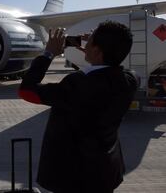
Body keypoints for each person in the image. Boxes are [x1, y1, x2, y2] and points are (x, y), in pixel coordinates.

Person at [19, 21, 138, 193]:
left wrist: (48, 54)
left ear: (97, 51)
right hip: (105, 172)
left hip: (73, 177)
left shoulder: (76, 85)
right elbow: (111, 68)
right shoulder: (129, 80)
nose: (86, 41)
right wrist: (95, 50)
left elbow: (27, 91)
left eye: (90, 40)